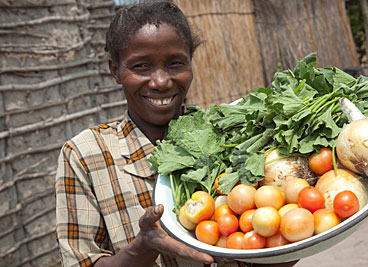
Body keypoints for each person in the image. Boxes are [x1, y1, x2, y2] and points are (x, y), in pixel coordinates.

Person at [55, 1, 297, 266]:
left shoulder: (230, 137)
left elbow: (268, 244)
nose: (161, 81)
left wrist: (290, 241)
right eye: (141, 67)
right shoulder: (86, 155)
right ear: (116, 71)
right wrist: (142, 248)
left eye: (175, 63)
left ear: (190, 64)